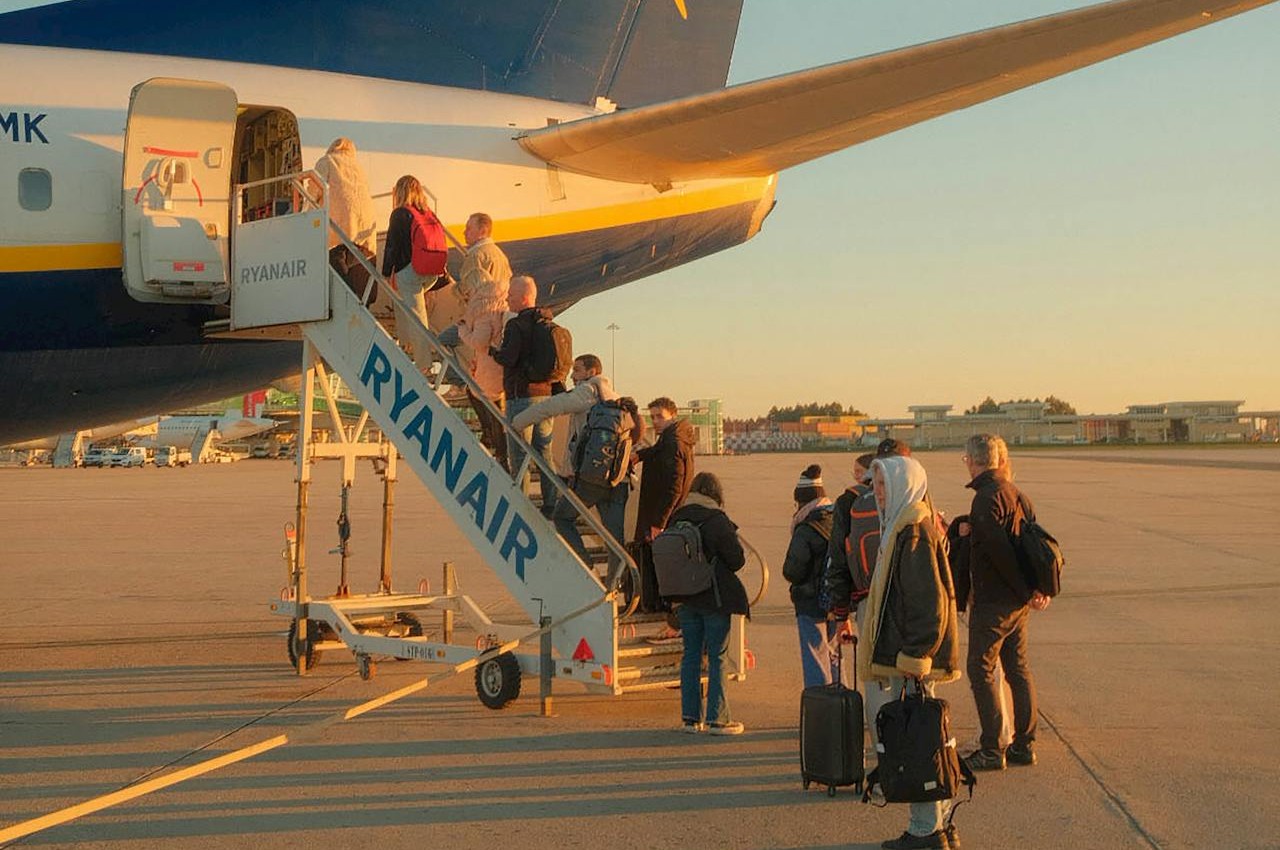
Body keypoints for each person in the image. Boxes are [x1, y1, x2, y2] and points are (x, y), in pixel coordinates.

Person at [860, 455, 962, 850]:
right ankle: (938, 825)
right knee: (927, 739)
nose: (877, 493)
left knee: (918, 744)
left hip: (913, 660)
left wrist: (915, 657)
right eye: (876, 485)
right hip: (909, 657)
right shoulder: (902, 526)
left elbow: (928, 603)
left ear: (904, 486)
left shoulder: (913, 531)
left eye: (884, 485)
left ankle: (925, 831)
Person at [959, 433, 1045, 772]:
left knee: (980, 669)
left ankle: (992, 748)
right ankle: (1024, 744)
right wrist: (1031, 590)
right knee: (1017, 669)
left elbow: (1000, 554)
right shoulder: (1015, 493)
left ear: (972, 460)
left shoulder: (985, 499)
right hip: (1015, 605)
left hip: (994, 601)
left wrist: (1022, 590)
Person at [511, 354, 641, 576]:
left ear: (591, 372)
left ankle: (588, 570)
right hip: (619, 479)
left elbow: (550, 407)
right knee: (614, 540)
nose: (572, 375)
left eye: (577, 370)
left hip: (591, 478)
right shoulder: (618, 399)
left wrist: (517, 422)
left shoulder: (587, 391)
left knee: (562, 517)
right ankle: (616, 585)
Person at [662, 472, 748, 735]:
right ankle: (717, 719)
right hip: (714, 598)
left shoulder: (676, 517)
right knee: (717, 657)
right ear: (716, 494)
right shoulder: (717, 520)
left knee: (690, 656)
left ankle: (690, 719)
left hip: (685, 598)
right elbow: (736, 560)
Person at [490, 275, 558, 513]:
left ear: (524, 298)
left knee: (520, 455)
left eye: (511, 296)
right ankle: (551, 503)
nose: (507, 299)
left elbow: (509, 358)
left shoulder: (516, 325)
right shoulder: (547, 323)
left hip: (521, 397)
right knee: (544, 452)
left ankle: (521, 507)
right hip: (545, 396)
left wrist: (493, 351)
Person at [633, 397, 697, 621]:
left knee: (660, 561)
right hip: (667, 512)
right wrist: (639, 456)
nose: (655, 421)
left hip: (664, 514)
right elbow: (657, 451)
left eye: (660, 416)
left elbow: (674, 487)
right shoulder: (673, 437)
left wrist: (659, 522)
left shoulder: (673, 442)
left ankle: (662, 606)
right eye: (652, 417)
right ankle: (659, 604)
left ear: (673, 415)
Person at [782, 463, 836, 688]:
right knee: (834, 655)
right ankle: (840, 698)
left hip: (810, 601)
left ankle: (819, 701)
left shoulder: (805, 528)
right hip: (835, 599)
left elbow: (792, 571)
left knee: (815, 655)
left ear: (802, 501)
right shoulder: (836, 519)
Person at [381, 175, 442, 365]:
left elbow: (392, 246)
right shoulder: (427, 212)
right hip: (431, 272)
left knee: (417, 317)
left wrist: (385, 273)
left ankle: (424, 364)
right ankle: (406, 347)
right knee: (402, 304)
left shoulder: (400, 214)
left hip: (410, 272)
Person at [455, 274, 510, 468]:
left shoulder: (484, 311)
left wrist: (462, 330)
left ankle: (497, 448)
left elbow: (479, 342)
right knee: (496, 409)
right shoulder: (503, 308)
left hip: (489, 366)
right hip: (499, 366)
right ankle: (500, 451)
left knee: (483, 400)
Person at [311, 138, 377, 300]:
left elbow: (313, 191)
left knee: (335, 257)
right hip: (364, 229)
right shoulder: (359, 168)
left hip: (339, 225)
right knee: (353, 268)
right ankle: (358, 302)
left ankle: (347, 300)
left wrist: (304, 214)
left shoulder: (327, 161)